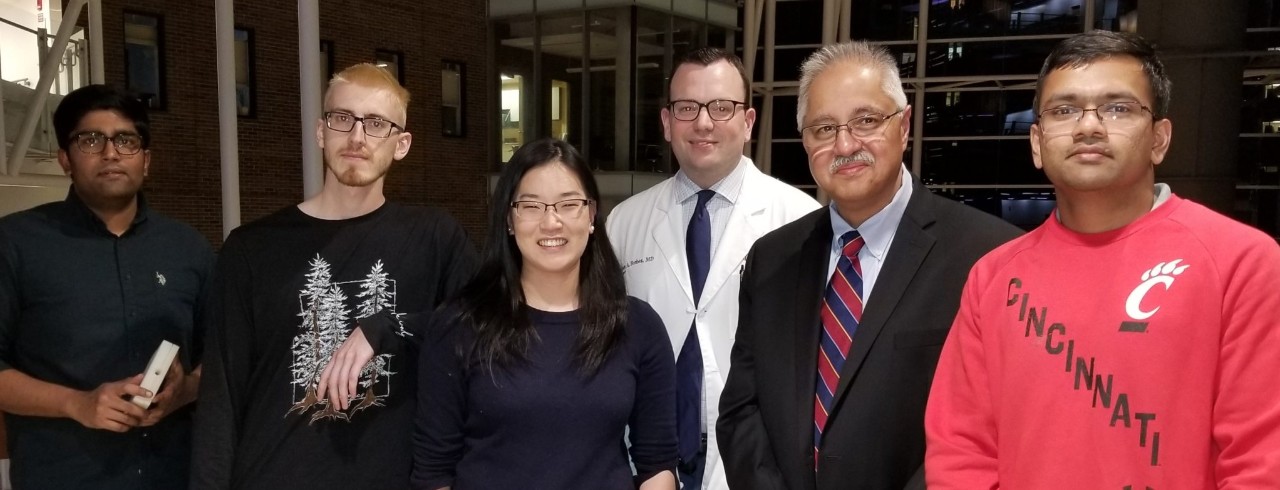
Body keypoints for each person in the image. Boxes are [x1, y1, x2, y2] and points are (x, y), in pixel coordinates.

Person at [925, 30, 1280, 489]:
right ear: (1036, 142)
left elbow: (1261, 460)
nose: (1088, 126)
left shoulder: (1240, 263)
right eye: (1064, 110)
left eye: (1117, 107)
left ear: (1159, 138)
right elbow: (961, 453)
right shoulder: (994, 278)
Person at [716, 40, 1021, 489]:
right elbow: (742, 410)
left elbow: (996, 427)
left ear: (905, 125)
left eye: (866, 121)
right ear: (805, 141)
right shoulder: (772, 259)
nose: (844, 144)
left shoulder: (987, 256)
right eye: (823, 128)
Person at [190, 63, 478, 489]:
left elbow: (487, 325)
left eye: (376, 123)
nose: (357, 137)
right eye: (343, 119)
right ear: (321, 131)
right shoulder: (251, 248)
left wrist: (391, 326)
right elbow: (221, 400)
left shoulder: (434, 238)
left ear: (402, 144)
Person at [606, 47, 819, 490]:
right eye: (687, 107)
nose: (703, 123)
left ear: (748, 122)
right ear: (666, 123)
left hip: (757, 460)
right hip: (645, 460)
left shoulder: (801, 220)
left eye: (722, 107)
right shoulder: (625, 222)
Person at [412, 138, 677, 489]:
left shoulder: (637, 326)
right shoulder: (460, 325)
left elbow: (657, 465)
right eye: (532, 206)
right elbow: (433, 472)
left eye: (569, 204)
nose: (551, 222)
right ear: (509, 219)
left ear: (592, 215)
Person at [0, 84, 214, 489]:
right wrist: (76, 403)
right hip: (63, 476)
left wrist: (184, 390)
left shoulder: (188, 248)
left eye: (126, 141)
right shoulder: (16, 243)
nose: (111, 153)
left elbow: (223, 356)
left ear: (146, 160)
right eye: (91, 139)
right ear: (65, 158)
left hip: (173, 474)